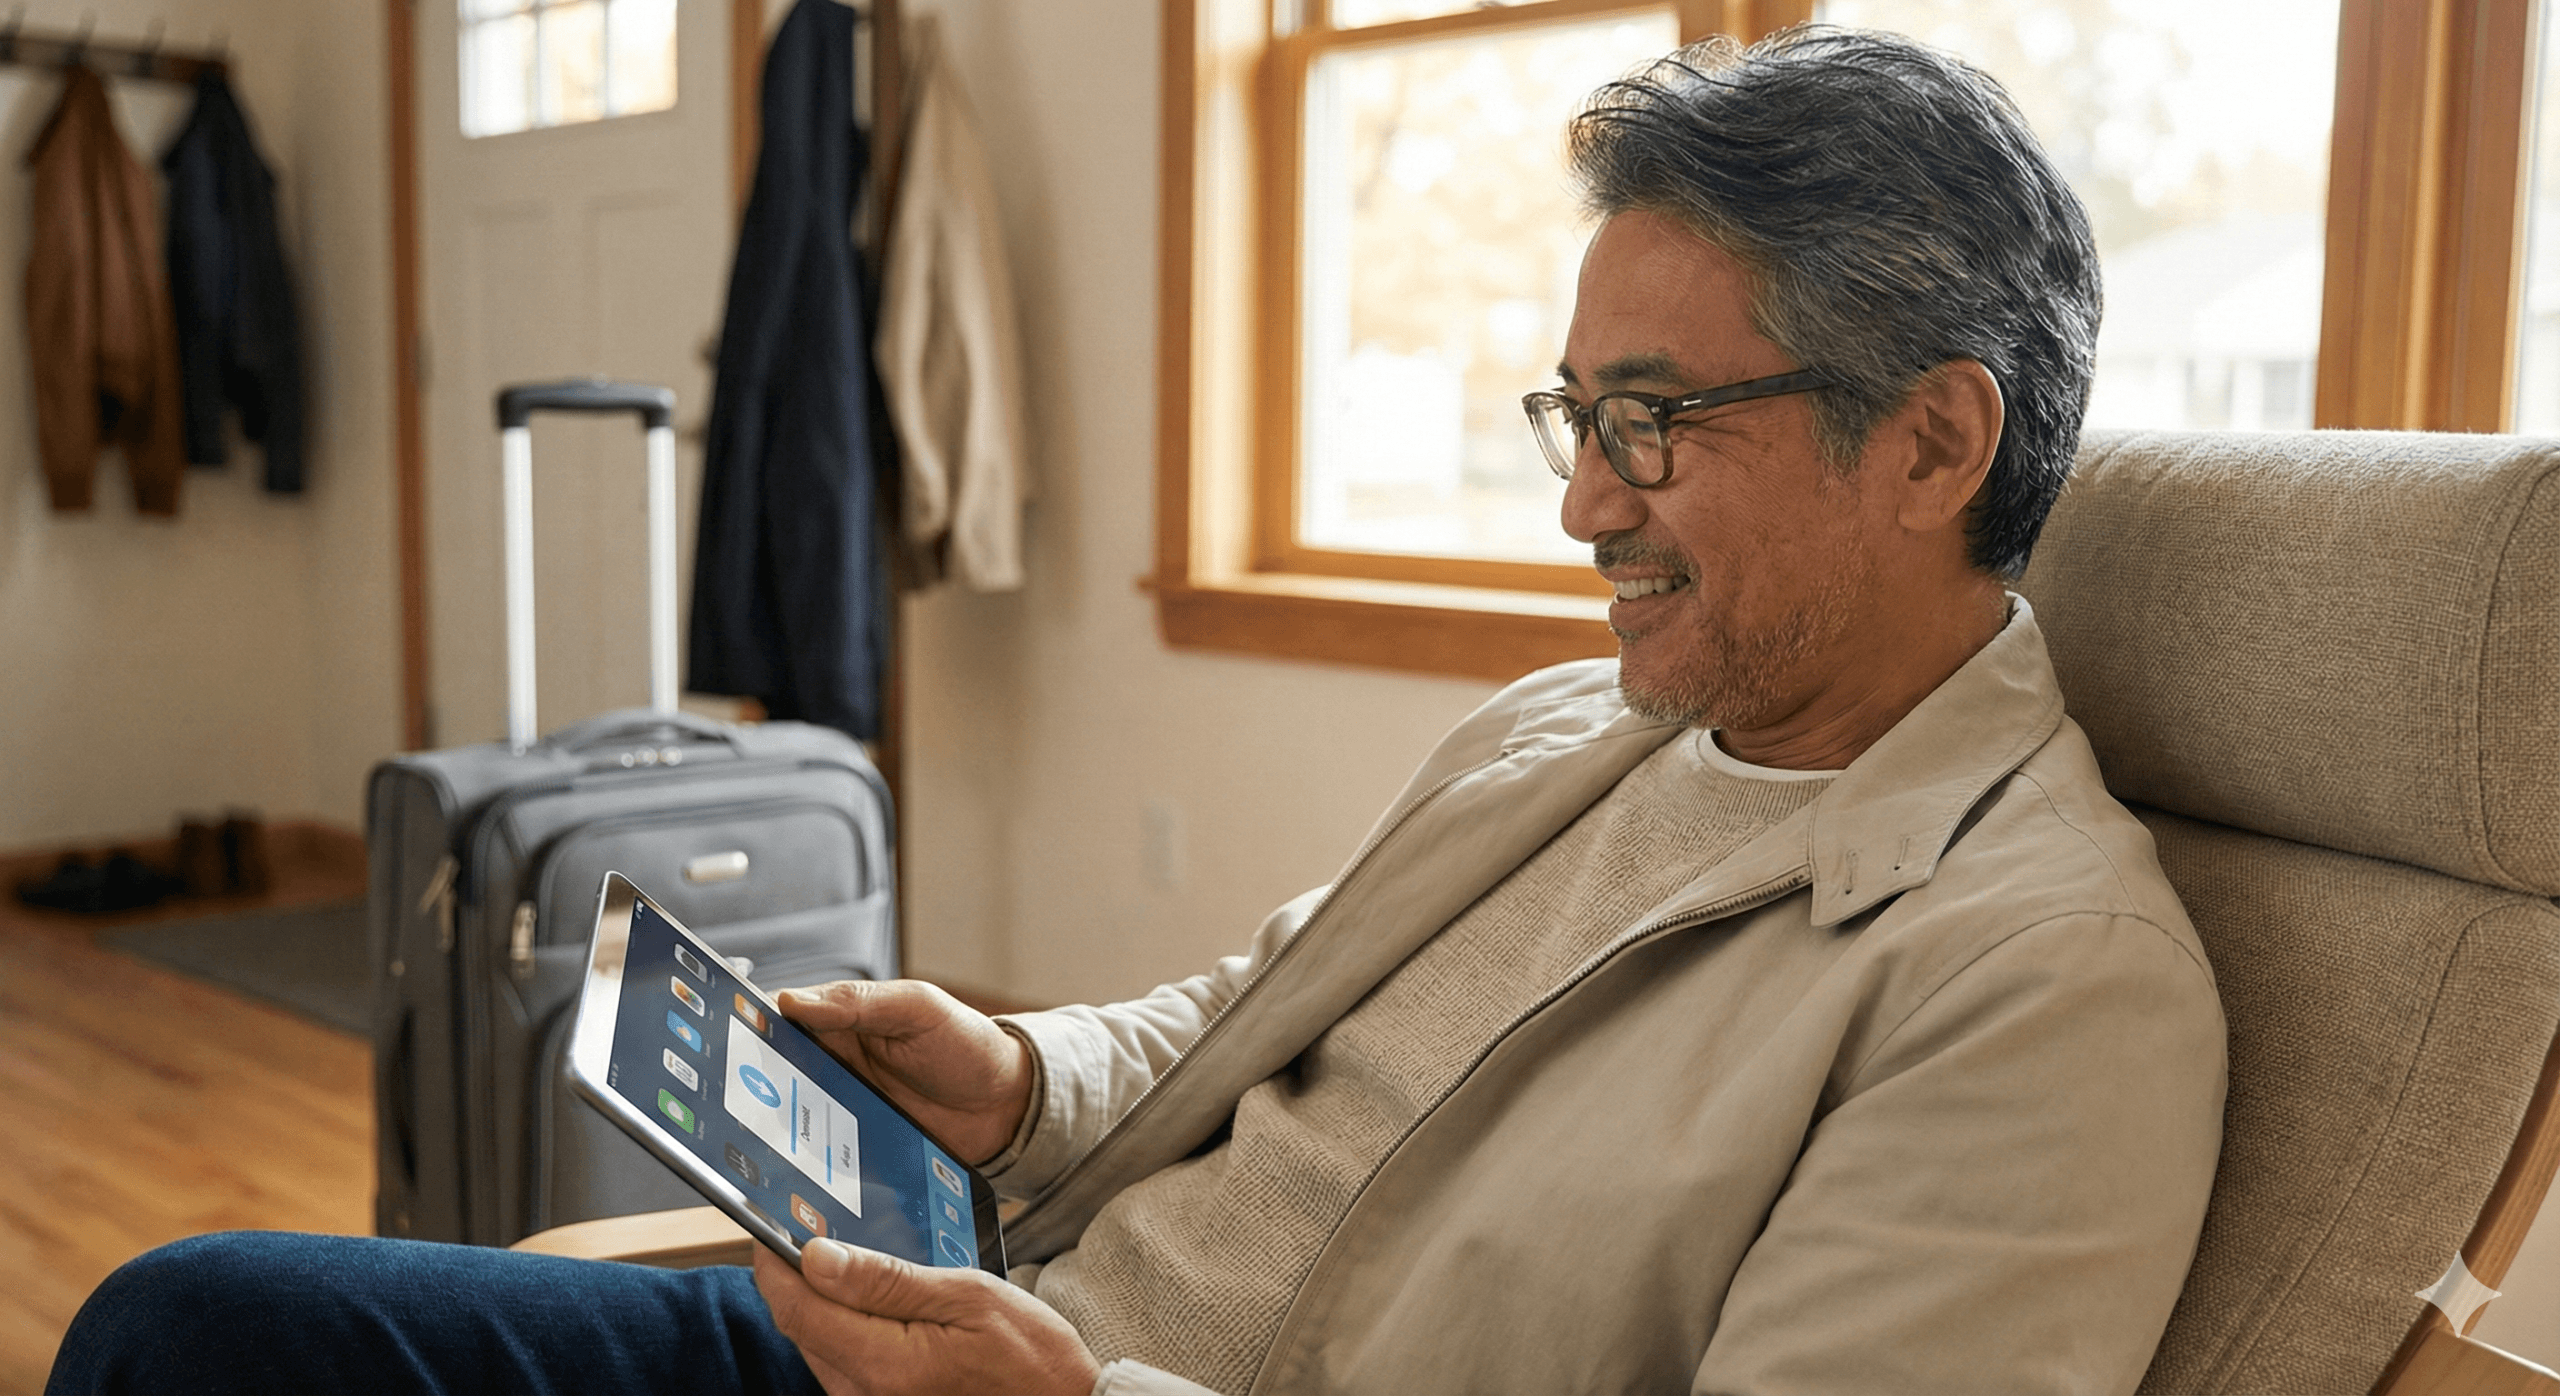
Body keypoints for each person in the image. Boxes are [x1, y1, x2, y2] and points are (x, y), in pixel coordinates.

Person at [48, 24, 2223, 1396]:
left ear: (1933, 444)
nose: (1578, 497)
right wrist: (1013, 1081)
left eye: (1650, 422)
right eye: (1576, 409)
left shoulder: (2042, 986)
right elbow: (1235, 1012)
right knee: (196, 1318)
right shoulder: (1576, 731)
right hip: (949, 1324)